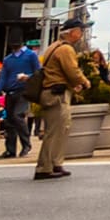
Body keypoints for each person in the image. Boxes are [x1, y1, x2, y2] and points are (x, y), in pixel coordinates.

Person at [31, 21, 98, 179]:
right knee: (55, 132)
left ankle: (55, 163)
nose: (81, 34)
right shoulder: (66, 49)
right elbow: (72, 71)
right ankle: (45, 167)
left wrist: (72, 85)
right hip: (57, 94)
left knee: (60, 129)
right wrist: (84, 82)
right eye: (80, 31)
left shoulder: (54, 46)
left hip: (53, 91)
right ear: (73, 32)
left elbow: (59, 72)